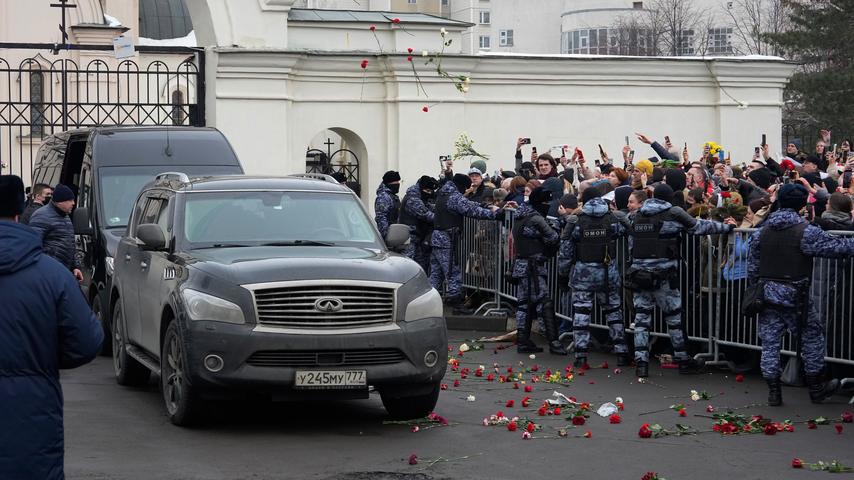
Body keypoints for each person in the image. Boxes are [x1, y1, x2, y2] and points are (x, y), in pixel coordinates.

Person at [0, 175, 103, 480]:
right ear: (20, 214)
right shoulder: (53, 276)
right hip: (31, 413)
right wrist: (41, 356)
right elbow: (87, 342)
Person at [747, 183, 854, 406]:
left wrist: (756, 287)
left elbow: (753, 266)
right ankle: (817, 388)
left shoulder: (762, 231)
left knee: (770, 343)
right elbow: (837, 248)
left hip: (766, 293)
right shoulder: (805, 231)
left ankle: (774, 392)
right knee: (812, 338)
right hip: (796, 295)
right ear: (802, 204)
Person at [627, 183, 733, 378]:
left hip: (640, 275)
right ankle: (683, 360)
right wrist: (727, 227)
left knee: (641, 320)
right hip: (665, 276)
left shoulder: (636, 215)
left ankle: (641, 364)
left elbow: (632, 246)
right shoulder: (673, 213)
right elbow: (699, 227)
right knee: (674, 320)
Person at [558, 185, 630, 367]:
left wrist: (563, 273)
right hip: (608, 273)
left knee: (581, 313)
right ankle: (621, 352)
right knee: (614, 312)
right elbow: (624, 232)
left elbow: (566, 251)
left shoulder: (576, 220)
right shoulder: (612, 218)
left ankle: (581, 355)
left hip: (583, 274)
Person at [430, 173, 498, 314]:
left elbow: (467, 204)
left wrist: (483, 204)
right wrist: (495, 214)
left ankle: (429, 303)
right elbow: (471, 210)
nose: (466, 190)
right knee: (453, 272)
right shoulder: (453, 197)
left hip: (438, 238)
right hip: (447, 240)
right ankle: (456, 304)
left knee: (436, 274)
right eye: (466, 188)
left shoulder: (444, 193)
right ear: (461, 185)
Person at [511, 187, 562, 354]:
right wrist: (555, 227)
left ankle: (523, 340)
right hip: (534, 267)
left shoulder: (519, 215)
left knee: (524, 305)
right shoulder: (536, 219)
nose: (548, 205)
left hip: (521, 265)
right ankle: (554, 342)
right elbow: (553, 238)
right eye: (546, 202)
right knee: (544, 302)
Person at [28, 184, 83, 283]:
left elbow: (70, 244)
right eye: (70, 200)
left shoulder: (65, 216)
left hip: (63, 273)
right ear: (60, 202)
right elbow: (33, 247)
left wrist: (75, 266)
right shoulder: (41, 216)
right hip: (48, 276)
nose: (73, 203)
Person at [399, 175, 438, 272]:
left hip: (416, 237)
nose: (429, 194)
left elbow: (429, 207)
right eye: (428, 191)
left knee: (419, 268)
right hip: (409, 238)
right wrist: (440, 219)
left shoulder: (419, 196)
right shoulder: (413, 198)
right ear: (423, 188)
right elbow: (424, 213)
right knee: (407, 267)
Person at [374, 171, 401, 239]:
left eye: (398, 181)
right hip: (389, 236)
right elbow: (381, 217)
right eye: (396, 182)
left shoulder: (393, 196)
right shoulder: (383, 197)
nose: (398, 184)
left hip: (395, 234)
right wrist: (387, 236)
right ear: (389, 183)